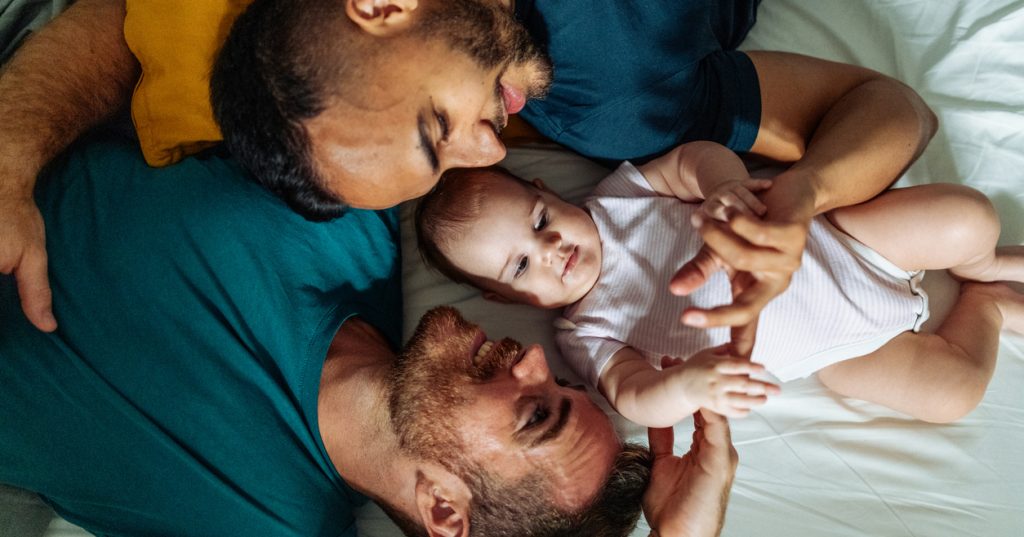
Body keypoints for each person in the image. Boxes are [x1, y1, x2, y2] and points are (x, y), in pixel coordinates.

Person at [0, 0, 937, 339]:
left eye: (434, 125)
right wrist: (802, 197)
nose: (489, 145)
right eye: (451, 153)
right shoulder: (609, 104)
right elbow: (888, 110)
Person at [0, 135, 737, 537]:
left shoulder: (260, 518)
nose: (537, 357)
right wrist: (12, 147)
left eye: (535, 411)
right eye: (562, 384)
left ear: (445, 511)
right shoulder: (361, 212)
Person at [414, 141, 1024, 426]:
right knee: (954, 395)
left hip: (846, 243)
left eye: (540, 221)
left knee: (967, 218)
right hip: (840, 350)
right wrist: (687, 383)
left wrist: (724, 185)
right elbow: (633, 396)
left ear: (546, 193)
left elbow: (690, 160)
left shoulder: (619, 199)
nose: (549, 250)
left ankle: (986, 267)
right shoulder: (584, 332)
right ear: (504, 298)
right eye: (520, 267)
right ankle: (990, 309)